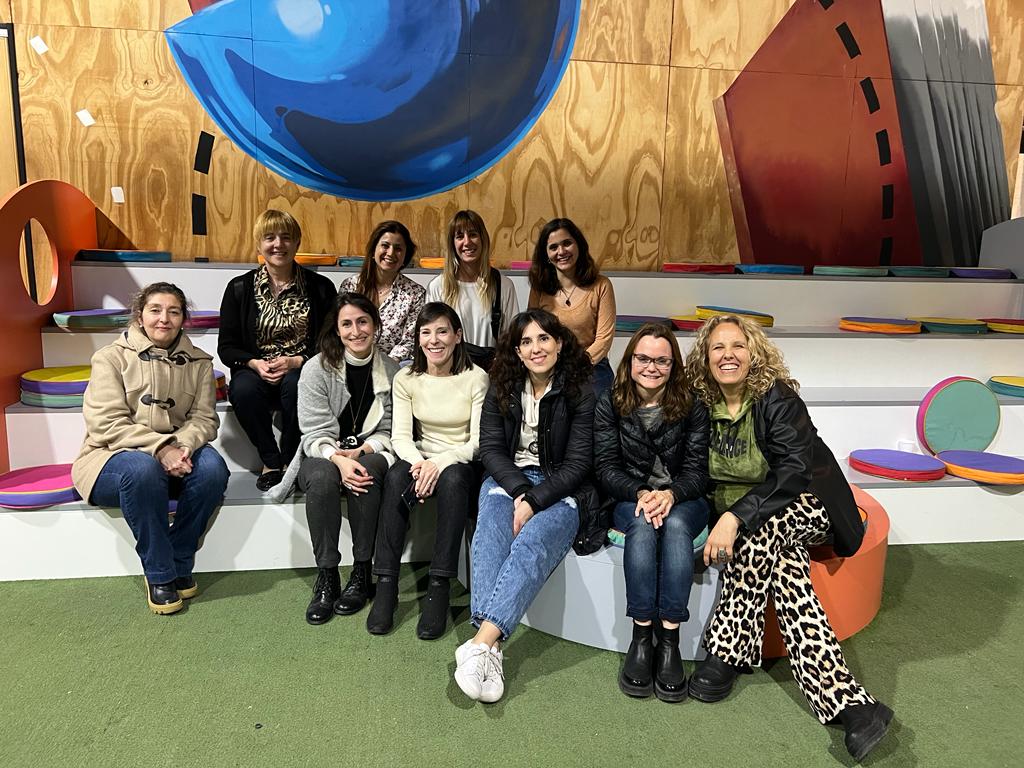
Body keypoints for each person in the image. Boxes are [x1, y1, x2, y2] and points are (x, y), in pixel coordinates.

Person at [684, 314, 893, 762]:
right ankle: (853, 706)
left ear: (754, 353)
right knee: (784, 564)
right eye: (717, 347)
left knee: (758, 531)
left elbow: (795, 472)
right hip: (756, 520)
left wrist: (735, 519)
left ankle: (727, 652)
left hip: (808, 503)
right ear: (705, 357)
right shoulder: (701, 403)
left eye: (738, 346)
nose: (727, 355)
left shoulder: (776, 397)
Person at [454, 309, 603, 704]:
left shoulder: (580, 390)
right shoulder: (501, 387)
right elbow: (491, 450)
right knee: (490, 534)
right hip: (509, 479)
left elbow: (578, 464)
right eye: (526, 341)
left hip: (561, 487)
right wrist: (521, 491)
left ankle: (480, 643)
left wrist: (535, 501)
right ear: (517, 351)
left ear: (559, 343)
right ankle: (492, 649)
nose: (536, 348)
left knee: (532, 543)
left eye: (543, 338)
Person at [72, 282, 229, 615]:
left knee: (214, 469)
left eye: (174, 312)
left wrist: (181, 447)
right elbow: (107, 424)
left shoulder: (199, 362)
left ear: (183, 318)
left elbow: (204, 419)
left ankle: (179, 559)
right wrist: (160, 449)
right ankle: (160, 574)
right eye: (155, 310)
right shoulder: (110, 358)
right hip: (110, 459)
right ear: (140, 316)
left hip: (176, 456)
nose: (164, 319)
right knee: (142, 470)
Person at [266, 293, 400, 624]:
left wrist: (362, 451)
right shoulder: (317, 368)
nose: (356, 331)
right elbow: (312, 433)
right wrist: (339, 458)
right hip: (322, 450)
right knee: (322, 476)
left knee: (367, 471)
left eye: (363, 321)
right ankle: (327, 575)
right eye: (347, 324)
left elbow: (390, 429)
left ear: (375, 325)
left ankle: (362, 571)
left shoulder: (392, 370)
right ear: (337, 330)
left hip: (372, 450)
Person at [594, 323, 710, 702]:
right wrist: (642, 493)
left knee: (675, 526)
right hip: (631, 498)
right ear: (630, 361)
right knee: (643, 526)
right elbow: (605, 468)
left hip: (684, 499)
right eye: (643, 358)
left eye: (662, 361)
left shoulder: (692, 404)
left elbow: (698, 471)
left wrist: (671, 494)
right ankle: (642, 637)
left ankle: (670, 640)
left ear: (673, 365)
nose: (652, 367)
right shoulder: (610, 402)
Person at [366, 302, 489, 639]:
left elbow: (477, 443)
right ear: (418, 338)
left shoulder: (476, 378)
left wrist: (438, 463)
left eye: (442, 331)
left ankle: (439, 583)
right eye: (426, 332)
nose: (434, 340)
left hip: (460, 462)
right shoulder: (407, 378)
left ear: (457, 335)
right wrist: (421, 465)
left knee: (454, 479)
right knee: (395, 476)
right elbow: (400, 437)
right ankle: (387, 582)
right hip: (420, 458)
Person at [219, 209, 337, 491]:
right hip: (255, 368)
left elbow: (331, 340)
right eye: (269, 237)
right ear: (259, 244)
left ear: (297, 243)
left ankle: (291, 459)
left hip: (302, 367)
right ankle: (271, 461)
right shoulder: (239, 288)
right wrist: (254, 363)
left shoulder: (321, 288)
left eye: (286, 237)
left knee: (298, 385)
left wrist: (297, 361)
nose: (278, 244)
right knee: (243, 391)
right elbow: (227, 347)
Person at [527, 217, 616, 393]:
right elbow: (533, 333)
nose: (561, 251)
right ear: (546, 255)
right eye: (553, 247)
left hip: (591, 367)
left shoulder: (602, 285)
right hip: (549, 367)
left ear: (579, 245)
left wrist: (573, 369)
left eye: (567, 243)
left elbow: (604, 340)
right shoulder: (539, 288)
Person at [425, 209, 518, 370]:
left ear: (483, 239)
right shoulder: (437, 287)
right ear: (452, 244)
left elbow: (512, 338)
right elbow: (431, 339)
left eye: (473, 234)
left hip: (491, 373)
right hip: (450, 373)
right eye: (460, 236)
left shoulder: (503, 285)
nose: (467, 242)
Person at [340, 220, 426, 363]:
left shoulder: (415, 293)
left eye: (398, 249)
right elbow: (340, 330)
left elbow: (409, 342)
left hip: (393, 365)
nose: (391, 253)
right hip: (352, 360)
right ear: (373, 250)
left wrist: (384, 366)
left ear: (405, 256)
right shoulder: (350, 286)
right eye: (385, 246)